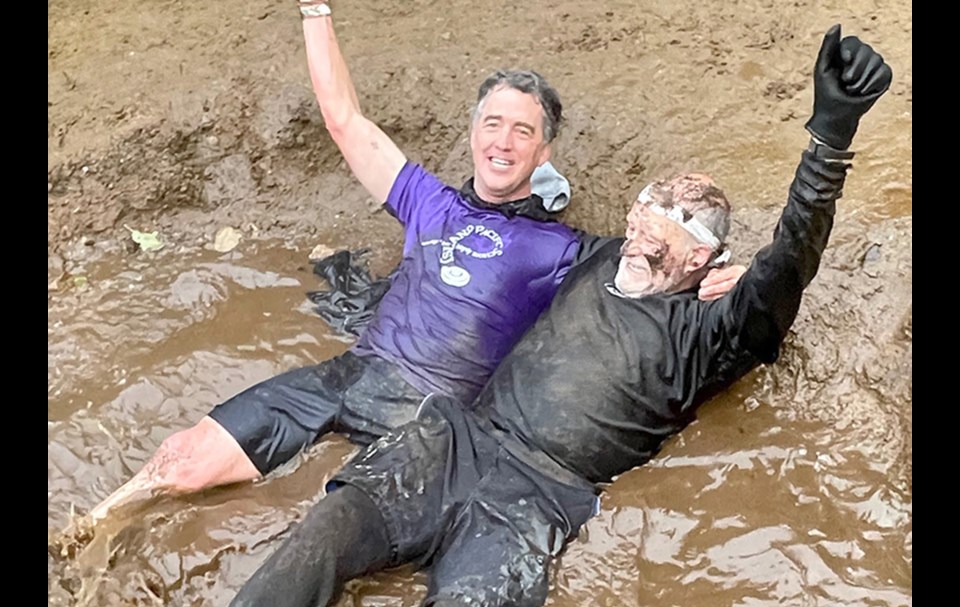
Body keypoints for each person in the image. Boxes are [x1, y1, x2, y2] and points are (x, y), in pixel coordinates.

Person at [204, 24, 892, 607]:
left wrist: (828, 139)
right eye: (651, 200)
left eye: (679, 215)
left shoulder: (716, 329)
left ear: (703, 256)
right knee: (330, 525)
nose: (655, 214)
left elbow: (791, 260)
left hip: (540, 496)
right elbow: (503, 246)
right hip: (456, 438)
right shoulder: (590, 257)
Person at [82, 1, 743, 522]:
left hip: (434, 419)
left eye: (522, 130)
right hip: (352, 374)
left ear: (544, 154)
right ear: (471, 133)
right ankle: (88, 530)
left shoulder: (568, 250)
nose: (503, 141)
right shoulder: (426, 200)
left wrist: (722, 276)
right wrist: (315, 9)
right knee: (181, 463)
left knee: (329, 530)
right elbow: (344, 118)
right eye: (492, 123)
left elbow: (656, 267)